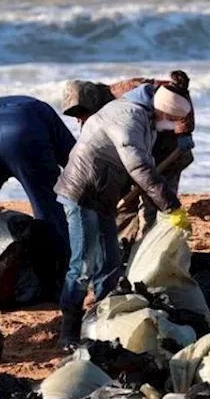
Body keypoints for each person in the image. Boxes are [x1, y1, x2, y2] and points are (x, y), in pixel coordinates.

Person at [53, 82, 193, 348]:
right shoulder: (128, 116)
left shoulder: (148, 117)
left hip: (104, 193)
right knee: (83, 264)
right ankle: (69, 331)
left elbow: (147, 164)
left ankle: (102, 320)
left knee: (110, 262)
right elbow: (138, 165)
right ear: (163, 112)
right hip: (82, 192)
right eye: (172, 121)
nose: (172, 127)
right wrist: (170, 205)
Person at [0, 96, 77, 247]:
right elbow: (75, 159)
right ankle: (59, 265)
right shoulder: (42, 109)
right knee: (48, 208)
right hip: (27, 131)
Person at [108, 72, 196, 252]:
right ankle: (123, 247)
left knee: (160, 203)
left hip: (169, 157)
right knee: (128, 206)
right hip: (135, 154)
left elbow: (185, 123)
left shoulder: (178, 101)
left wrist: (185, 134)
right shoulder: (124, 100)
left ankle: (151, 248)